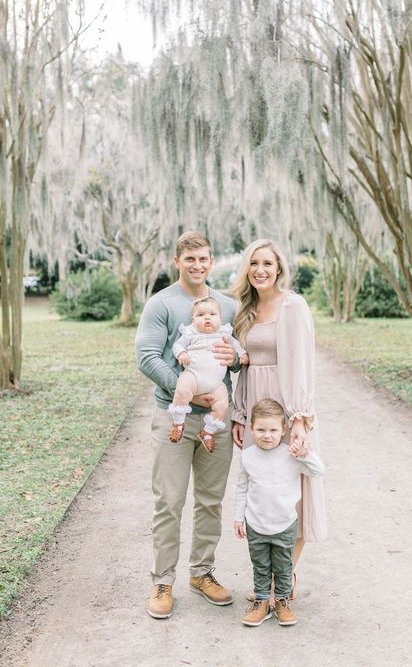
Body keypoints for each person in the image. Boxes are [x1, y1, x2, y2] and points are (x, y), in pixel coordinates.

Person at [135, 231, 240, 619]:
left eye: (204, 259)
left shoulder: (227, 306)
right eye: (190, 259)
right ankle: (162, 581)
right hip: (173, 416)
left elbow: (236, 356)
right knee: (169, 500)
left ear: (212, 262)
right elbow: (147, 357)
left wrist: (233, 360)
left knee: (210, 501)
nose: (198, 265)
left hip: (216, 418)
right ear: (177, 261)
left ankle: (203, 573)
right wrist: (185, 391)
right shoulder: (161, 304)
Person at [230, 239, 327, 601]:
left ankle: (283, 579)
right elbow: (245, 368)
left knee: (294, 494)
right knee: (264, 491)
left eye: (267, 263)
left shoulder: (293, 306)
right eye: (254, 263)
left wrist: (300, 419)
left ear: (279, 268)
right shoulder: (246, 309)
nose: (260, 270)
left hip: (287, 409)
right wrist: (240, 415)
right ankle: (268, 578)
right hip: (257, 410)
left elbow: (302, 363)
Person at [234, 399, 325, 627]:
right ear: (252, 428)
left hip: (284, 524)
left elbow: (318, 470)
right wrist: (238, 517)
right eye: (261, 430)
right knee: (261, 566)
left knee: (284, 566)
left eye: (274, 430)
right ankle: (262, 602)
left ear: (283, 430)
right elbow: (242, 488)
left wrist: (305, 454)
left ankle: (282, 601)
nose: (267, 435)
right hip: (256, 524)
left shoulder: (290, 454)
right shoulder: (248, 456)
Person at [168, 296, 248, 452]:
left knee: (222, 405)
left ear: (220, 317)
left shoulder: (224, 333)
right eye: (200, 315)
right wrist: (182, 353)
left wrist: (242, 353)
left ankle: (208, 432)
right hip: (193, 375)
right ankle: (178, 423)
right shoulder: (191, 333)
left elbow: (236, 345)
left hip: (216, 383)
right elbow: (178, 345)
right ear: (193, 319)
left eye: (212, 314)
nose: (207, 318)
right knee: (182, 390)